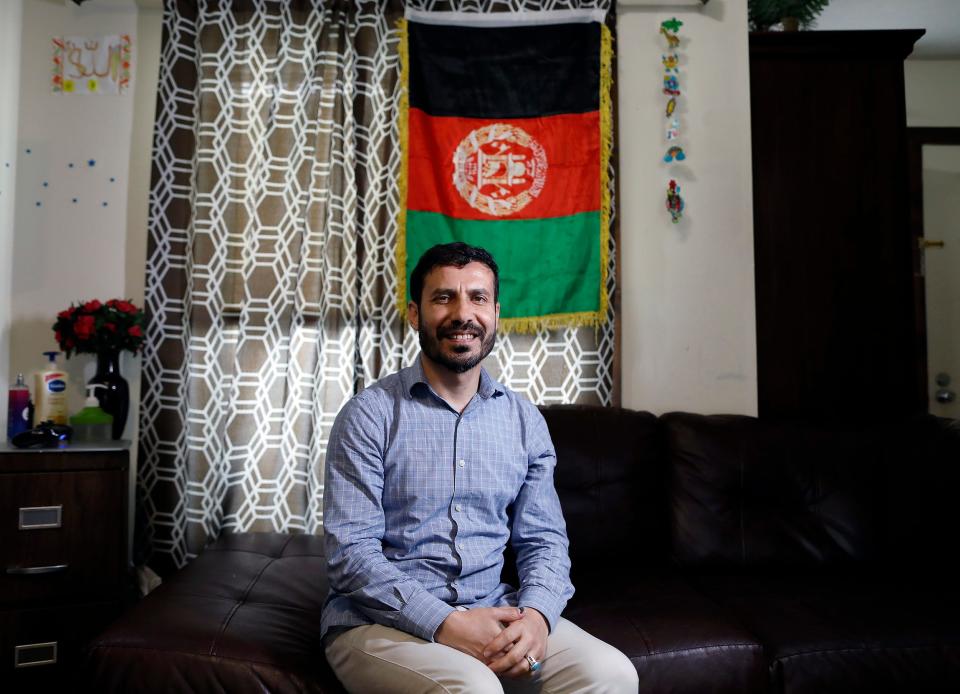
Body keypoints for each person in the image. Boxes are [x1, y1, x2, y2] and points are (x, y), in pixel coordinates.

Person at [321, 242, 638, 693]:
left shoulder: (524, 421)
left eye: (478, 297)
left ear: (496, 314)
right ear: (415, 314)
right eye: (443, 297)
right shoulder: (368, 415)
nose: (462, 313)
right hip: (377, 623)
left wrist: (538, 617)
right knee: (473, 689)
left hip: (494, 607)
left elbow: (544, 540)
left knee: (612, 673)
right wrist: (446, 623)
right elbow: (350, 554)